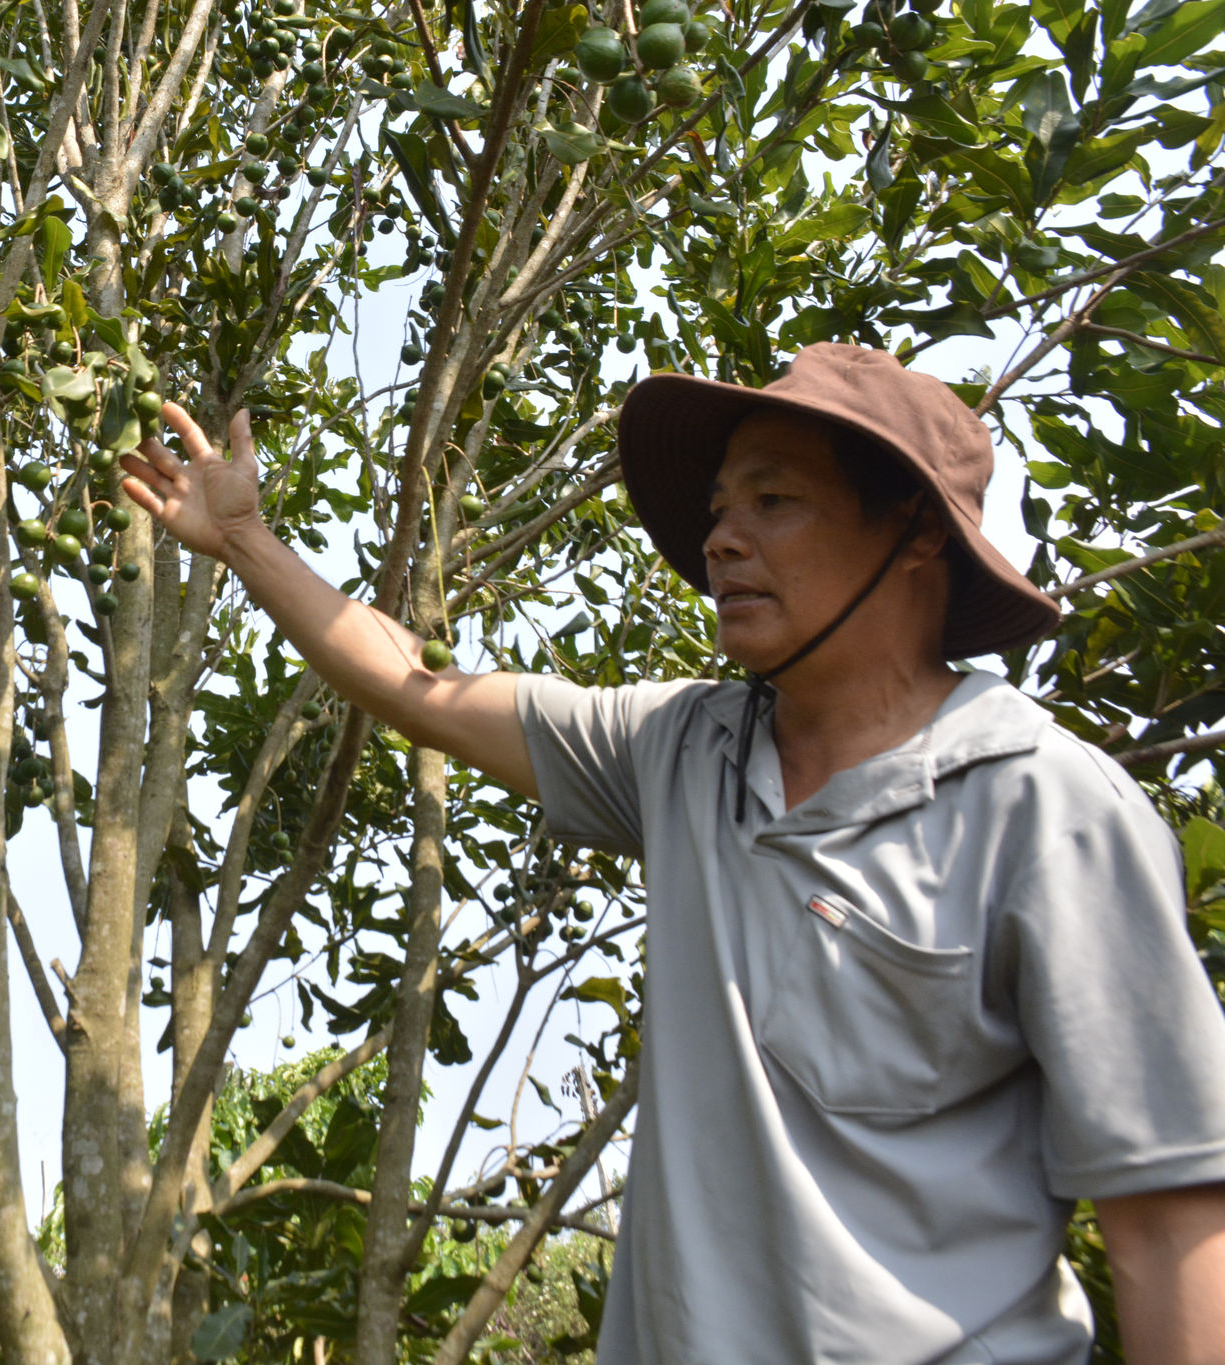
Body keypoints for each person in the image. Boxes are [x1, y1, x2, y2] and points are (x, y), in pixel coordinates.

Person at [119, 342, 1225, 1364]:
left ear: (915, 534)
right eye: (717, 507)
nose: (719, 538)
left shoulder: (1043, 810)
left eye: (772, 501)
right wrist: (243, 543)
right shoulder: (681, 752)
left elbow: (1167, 1225)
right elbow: (421, 691)